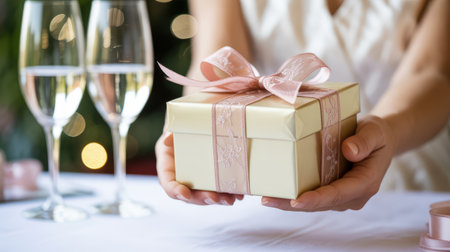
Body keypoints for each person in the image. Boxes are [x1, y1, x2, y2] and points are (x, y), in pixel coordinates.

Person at [156, 0, 450, 211]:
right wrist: (192, 128)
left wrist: (387, 130)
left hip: (412, 180)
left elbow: (431, 73)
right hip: (270, 181)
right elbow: (220, 59)